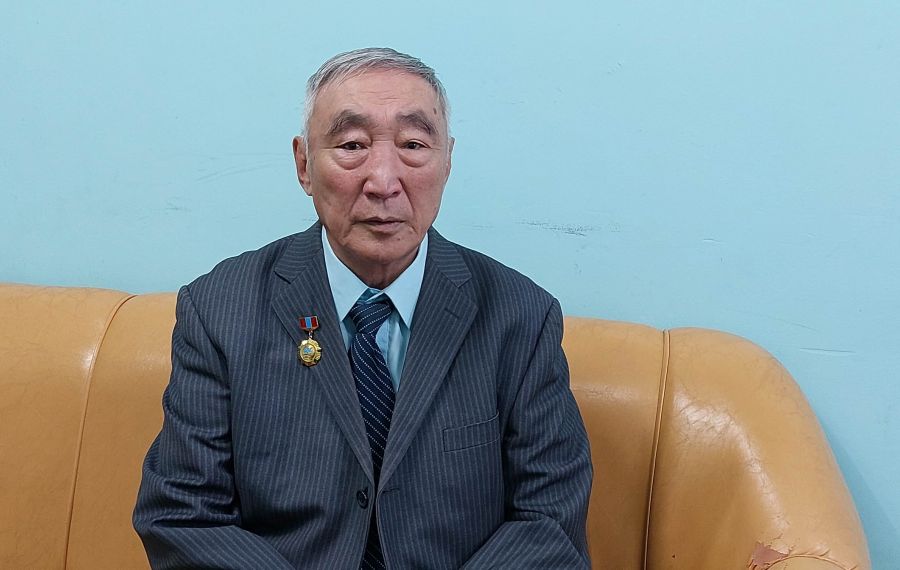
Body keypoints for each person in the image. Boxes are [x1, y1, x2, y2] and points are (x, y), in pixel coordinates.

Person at [133, 47, 592, 569]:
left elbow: (550, 519)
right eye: (352, 145)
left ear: (447, 162)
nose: (383, 181)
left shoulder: (521, 316)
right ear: (304, 165)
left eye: (413, 145)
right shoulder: (219, 309)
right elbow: (184, 515)